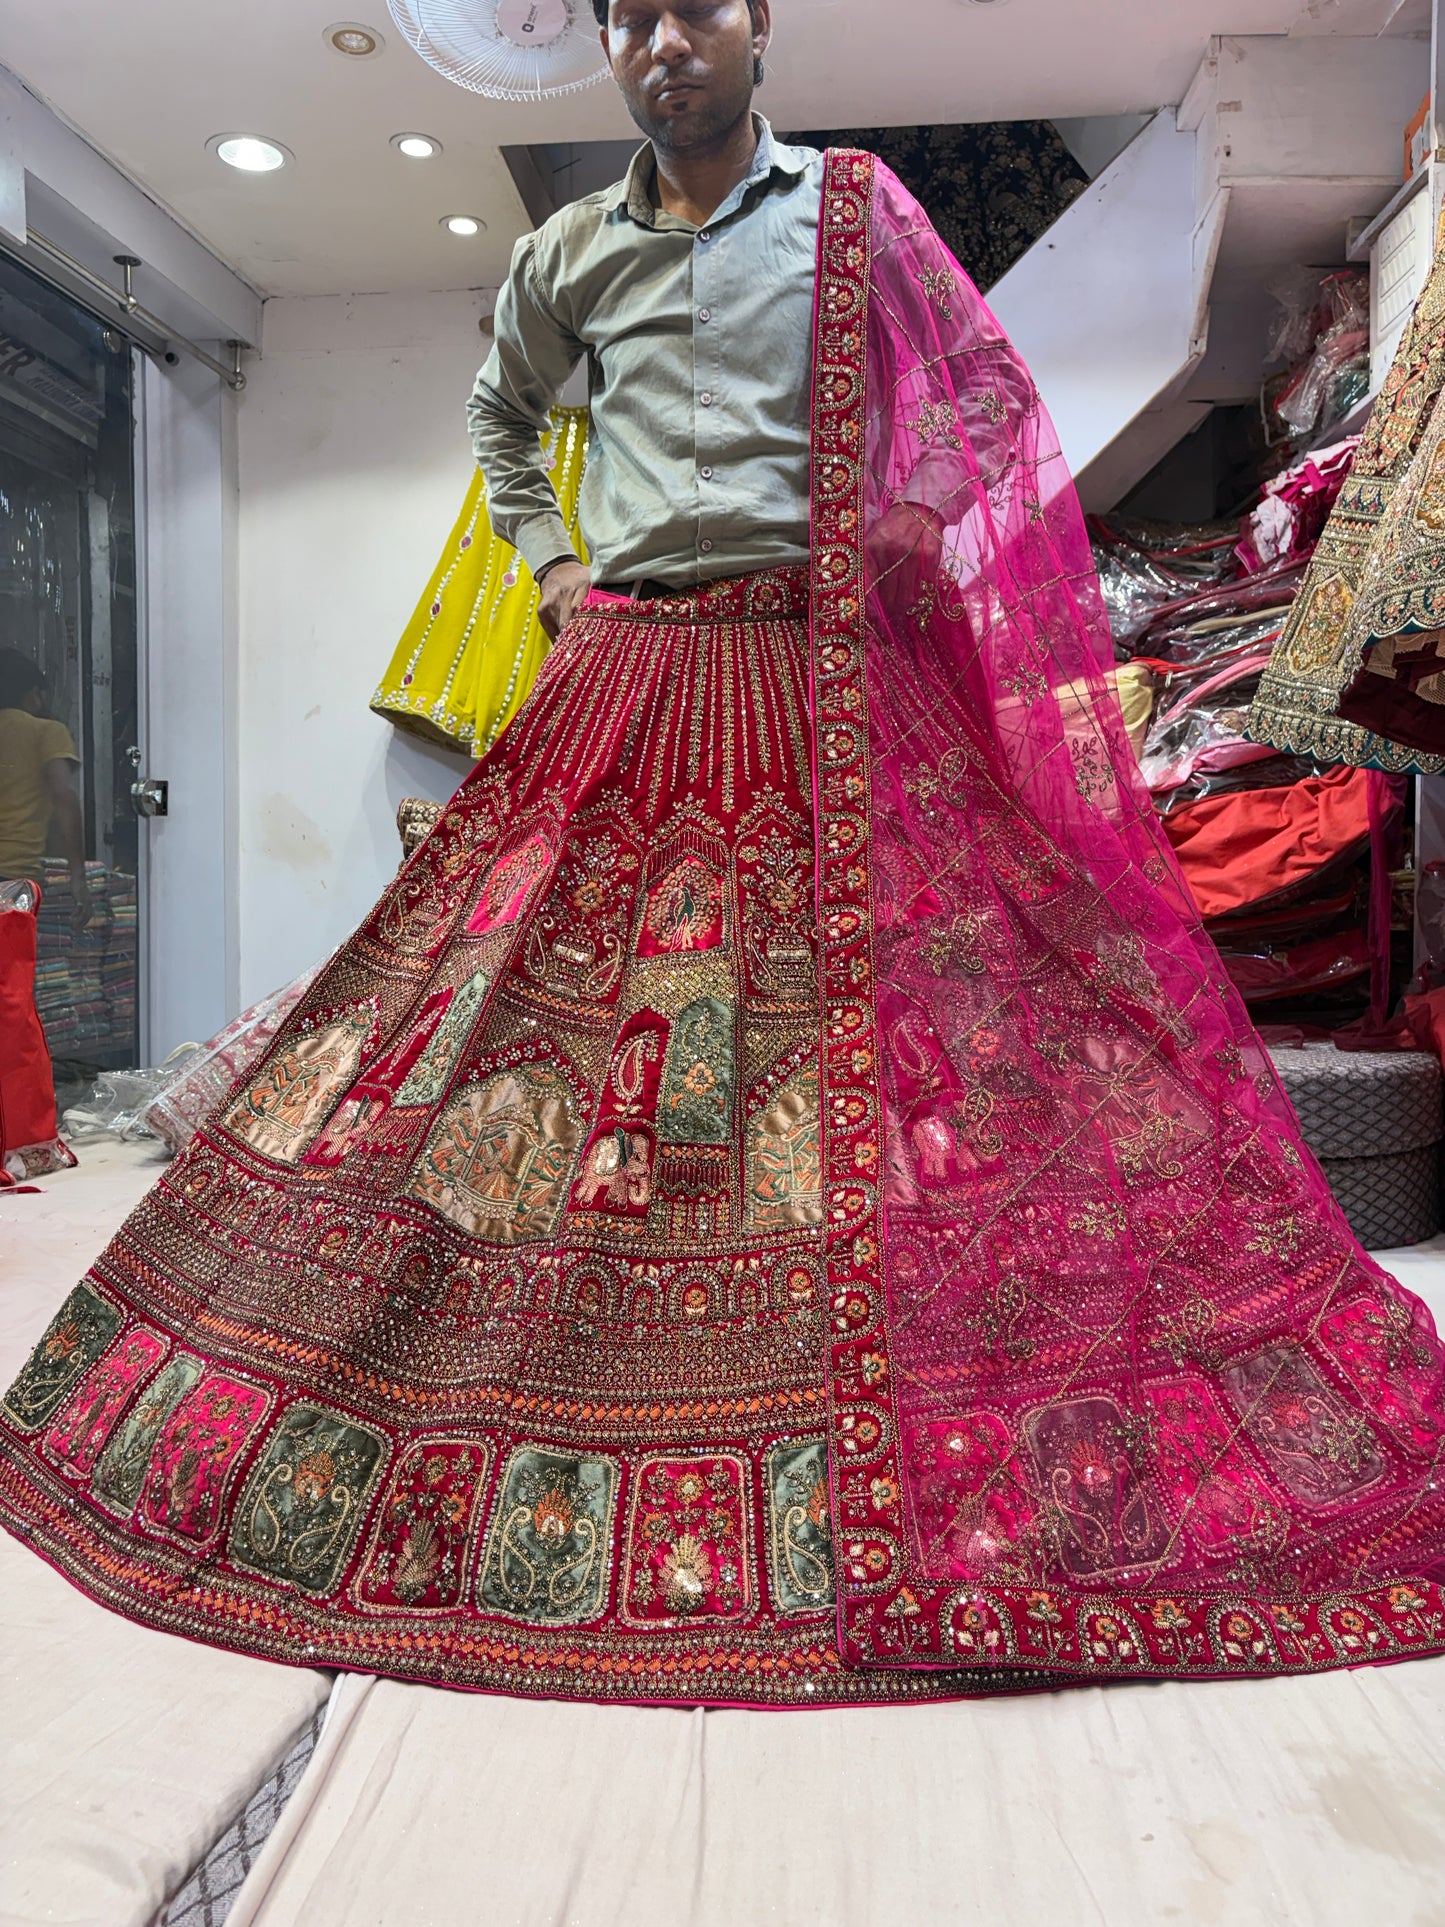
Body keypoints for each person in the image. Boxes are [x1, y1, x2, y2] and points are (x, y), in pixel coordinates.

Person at [5, 0, 1445, 1705]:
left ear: (759, 25)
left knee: (901, 1035)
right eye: (628, 17)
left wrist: (901, 534)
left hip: (831, 673)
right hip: (627, 670)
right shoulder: (564, 256)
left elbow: (981, 407)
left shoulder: (855, 214)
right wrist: (548, 570)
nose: (661, 40)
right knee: (501, 1023)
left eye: (694, 7)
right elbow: (499, 429)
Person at [0, 648, 92, 930]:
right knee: (11, 969)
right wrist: (77, 876)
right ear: (31, 694)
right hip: (13, 875)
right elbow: (63, 797)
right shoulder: (47, 731)